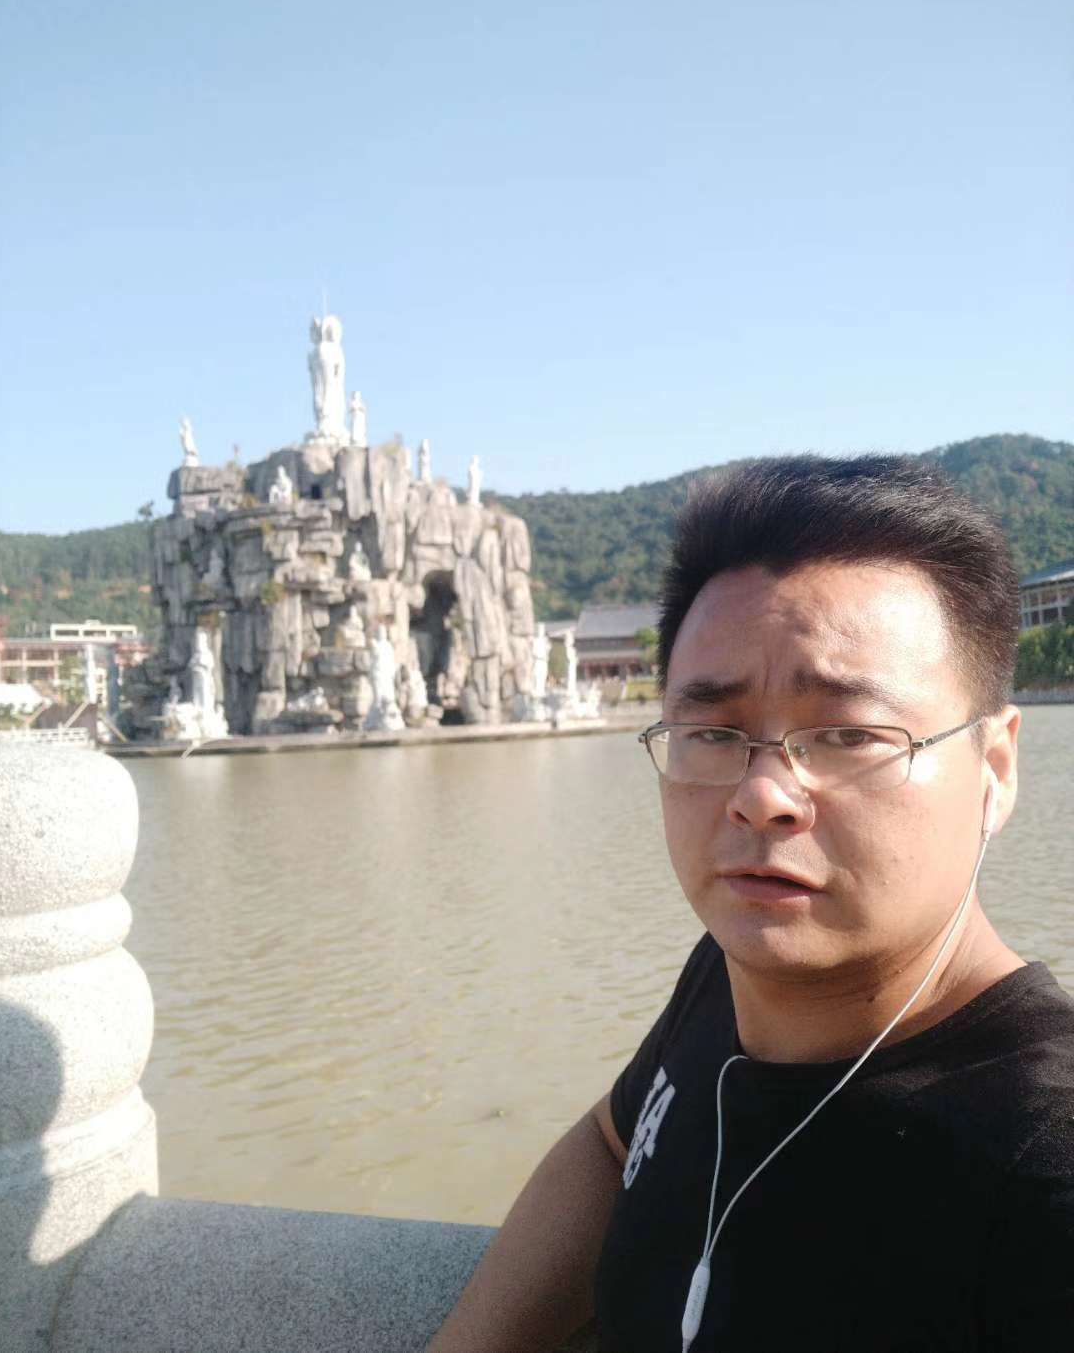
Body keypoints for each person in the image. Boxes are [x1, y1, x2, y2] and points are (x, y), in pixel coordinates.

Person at [428, 455, 1074, 1353]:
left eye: (848, 733)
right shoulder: (727, 971)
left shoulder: (1043, 1165)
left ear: (994, 768)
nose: (762, 794)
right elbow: (615, 1141)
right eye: (711, 732)